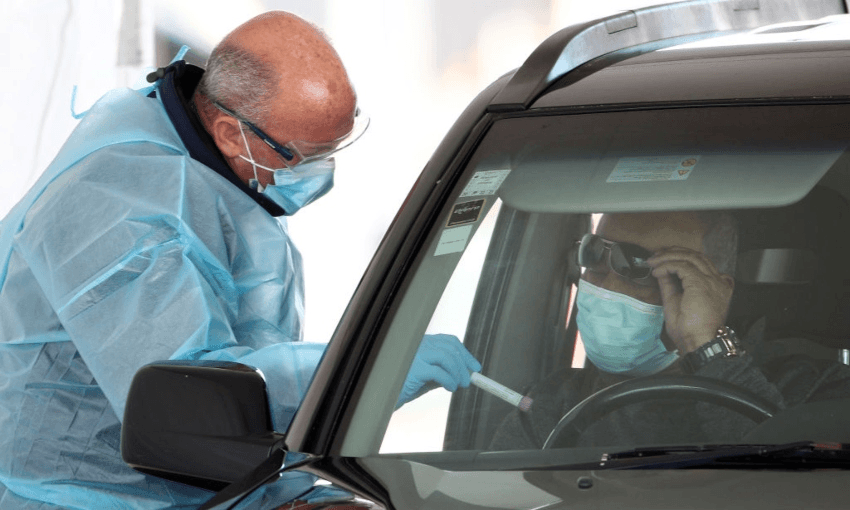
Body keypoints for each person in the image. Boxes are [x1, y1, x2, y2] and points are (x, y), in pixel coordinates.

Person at [0, 11, 479, 509]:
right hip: (102, 498)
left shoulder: (220, 172)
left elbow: (248, 353)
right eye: (304, 154)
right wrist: (365, 370)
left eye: (335, 148)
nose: (322, 171)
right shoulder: (118, 205)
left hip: (221, 485)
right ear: (231, 133)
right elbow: (191, 398)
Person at [490, 211, 850, 450]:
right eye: (595, 255)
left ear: (713, 291)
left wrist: (705, 343)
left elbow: (788, 490)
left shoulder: (813, 391)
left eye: (639, 267)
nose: (606, 287)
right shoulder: (553, 404)